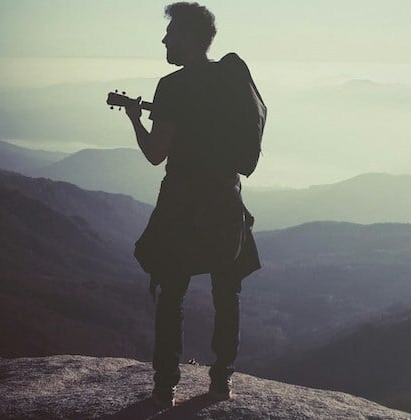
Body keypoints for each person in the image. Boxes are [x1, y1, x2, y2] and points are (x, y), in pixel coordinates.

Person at [124, 2, 261, 407]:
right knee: (226, 292)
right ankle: (221, 381)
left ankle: (166, 385)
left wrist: (134, 118)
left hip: (183, 204)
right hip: (225, 201)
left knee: (171, 293)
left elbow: (155, 152)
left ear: (185, 37)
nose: (164, 39)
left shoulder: (172, 86)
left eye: (170, 33)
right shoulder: (228, 78)